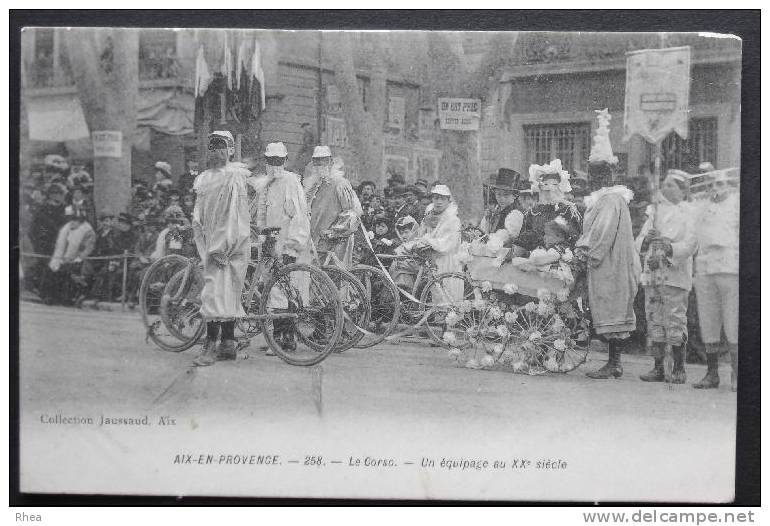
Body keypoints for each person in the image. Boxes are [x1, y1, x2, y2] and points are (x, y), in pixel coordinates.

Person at [191, 131, 252, 366]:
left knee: (220, 293)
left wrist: (220, 247)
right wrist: (200, 236)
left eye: (221, 146)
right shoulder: (205, 178)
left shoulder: (234, 177)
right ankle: (228, 343)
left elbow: (234, 217)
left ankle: (211, 345)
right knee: (220, 293)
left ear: (231, 150)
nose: (216, 150)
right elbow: (199, 211)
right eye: (213, 145)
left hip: (229, 245)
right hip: (210, 242)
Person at [576, 163, 641, 379]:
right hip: (608, 261)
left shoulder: (610, 200)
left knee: (613, 309)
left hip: (612, 262)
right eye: (593, 176)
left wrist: (586, 251)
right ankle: (614, 362)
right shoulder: (606, 199)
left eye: (599, 177)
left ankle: (614, 363)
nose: (595, 181)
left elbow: (602, 232)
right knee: (610, 309)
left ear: (608, 178)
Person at [635, 172, 698, 384]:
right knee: (654, 319)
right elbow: (639, 241)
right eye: (664, 184)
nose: (666, 188)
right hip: (653, 274)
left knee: (675, 320)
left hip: (674, 275)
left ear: (683, 190)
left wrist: (669, 249)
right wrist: (647, 240)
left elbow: (691, 244)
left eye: (672, 185)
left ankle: (679, 368)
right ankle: (658, 367)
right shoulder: (656, 212)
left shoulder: (690, 213)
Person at [249, 141, 311, 353]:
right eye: (270, 160)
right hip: (270, 245)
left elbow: (299, 217)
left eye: (278, 160)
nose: (274, 164)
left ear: (284, 161)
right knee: (272, 290)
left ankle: (284, 338)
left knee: (283, 291)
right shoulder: (266, 184)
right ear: (266, 161)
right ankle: (279, 336)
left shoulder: (290, 183)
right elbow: (261, 217)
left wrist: (292, 249)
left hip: (287, 246)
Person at [690, 169, 739, 391]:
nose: (714, 189)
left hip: (730, 267)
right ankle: (712, 373)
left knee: (733, 321)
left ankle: (738, 375)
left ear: (729, 185)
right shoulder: (700, 208)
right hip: (705, 267)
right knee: (708, 321)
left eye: (719, 184)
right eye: (710, 184)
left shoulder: (739, 205)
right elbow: (693, 238)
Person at [391, 185, 462, 299]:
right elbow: (421, 233)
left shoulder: (453, 220)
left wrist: (427, 241)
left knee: (447, 294)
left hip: (446, 260)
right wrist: (418, 242)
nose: (438, 202)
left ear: (448, 200)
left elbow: (447, 244)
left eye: (442, 198)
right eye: (435, 198)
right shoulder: (430, 214)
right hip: (431, 257)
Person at [304, 147, 363, 267]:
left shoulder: (340, 183)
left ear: (331, 162)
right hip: (316, 238)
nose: (320, 165)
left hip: (336, 240)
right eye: (317, 162)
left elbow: (352, 213)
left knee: (335, 274)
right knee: (316, 277)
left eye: (324, 161)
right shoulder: (314, 185)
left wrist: (334, 232)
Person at [517, 160, 582, 252]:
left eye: (554, 185)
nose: (550, 190)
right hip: (535, 259)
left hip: (563, 259)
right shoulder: (532, 213)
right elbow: (523, 240)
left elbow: (577, 238)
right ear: (540, 188)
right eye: (545, 185)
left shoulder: (567, 211)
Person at [41, 209, 95, 305]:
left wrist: (78, 258)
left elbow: (88, 249)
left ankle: (65, 298)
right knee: (50, 269)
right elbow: (60, 245)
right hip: (63, 258)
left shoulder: (88, 232)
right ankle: (48, 296)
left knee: (66, 271)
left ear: (81, 222)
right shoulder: (66, 229)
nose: (72, 222)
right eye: (72, 219)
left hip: (79, 260)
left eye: (76, 220)